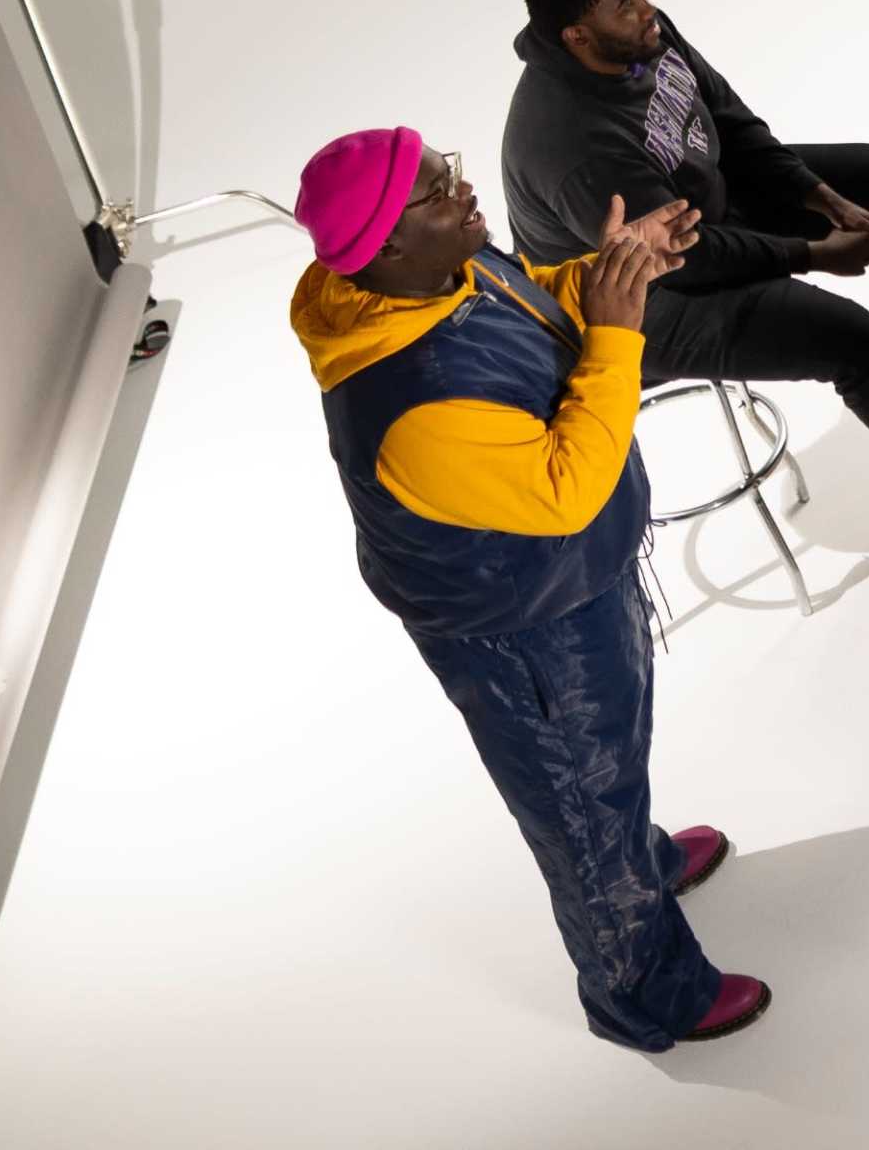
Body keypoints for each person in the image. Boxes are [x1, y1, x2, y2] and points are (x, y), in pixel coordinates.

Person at [286, 129, 770, 1050]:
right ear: (385, 243)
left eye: (449, 169)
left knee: (613, 761)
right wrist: (620, 330)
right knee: (581, 804)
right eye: (438, 191)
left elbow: (536, 301)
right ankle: (643, 991)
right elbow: (566, 488)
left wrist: (613, 270)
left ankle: (639, 857)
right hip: (523, 634)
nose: (465, 192)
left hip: (571, 585)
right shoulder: (412, 401)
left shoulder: (435, 272)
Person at [503, 0, 869, 552]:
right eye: (626, 4)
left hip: (703, 210)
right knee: (850, 337)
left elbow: (728, 121)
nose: (648, 8)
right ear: (578, 35)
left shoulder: (639, 35)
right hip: (641, 302)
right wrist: (812, 254)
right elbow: (691, 258)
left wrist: (820, 196)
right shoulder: (574, 146)